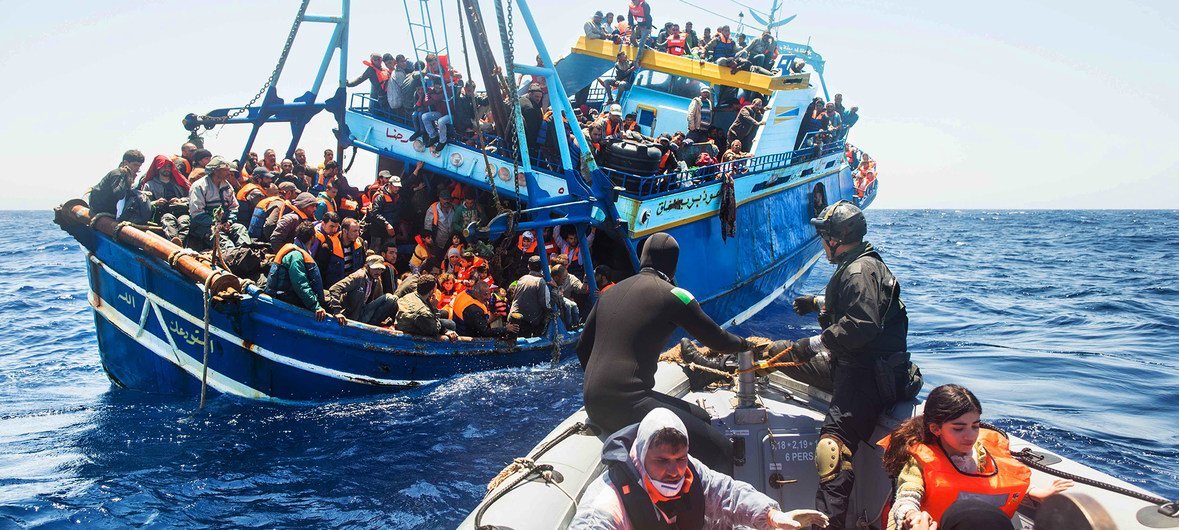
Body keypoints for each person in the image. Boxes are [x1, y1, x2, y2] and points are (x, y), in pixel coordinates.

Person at [784, 200, 913, 529]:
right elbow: (869, 304)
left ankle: (828, 524)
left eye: (824, 235)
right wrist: (817, 303)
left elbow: (863, 323)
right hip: (853, 365)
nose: (822, 243)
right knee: (781, 355)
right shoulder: (862, 264)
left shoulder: (857, 271)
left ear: (835, 238)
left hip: (866, 376)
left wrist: (814, 343)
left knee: (832, 449)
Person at [577, 233, 749, 474]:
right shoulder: (675, 295)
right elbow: (717, 341)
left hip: (593, 401)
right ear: (673, 264)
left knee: (701, 417)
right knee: (721, 450)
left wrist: (600, 386)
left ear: (643, 258)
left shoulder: (610, 293)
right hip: (628, 403)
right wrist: (745, 344)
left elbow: (582, 346)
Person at [569, 408, 829, 530]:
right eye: (662, 461)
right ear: (640, 456)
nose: (674, 471)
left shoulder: (693, 472)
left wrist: (772, 516)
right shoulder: (607, 501)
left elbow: (729, 494)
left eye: (680, 458)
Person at [880, 384, 1072, 530]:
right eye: (958, 428)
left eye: (975, 425)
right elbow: (906, 497)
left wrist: (1032, 493)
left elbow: (998, 482)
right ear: (936, 429)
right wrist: (911, 515)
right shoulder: (919, 461)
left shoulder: (982, 452)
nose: (970, 435)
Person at [264, 221, 345, 324]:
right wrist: (316, 306)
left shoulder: (297, 252)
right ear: (312, 238)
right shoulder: (296, 256)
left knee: (332, 296)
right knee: (336, 304)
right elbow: (300, 283)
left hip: (290, 296)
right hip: (287, 299)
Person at [187, 156, 250, 251]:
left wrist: (229, 222)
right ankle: (231, 256)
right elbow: (197, 213)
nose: (229, 173)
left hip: (224, 224)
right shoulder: (199, 186)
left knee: (240, 229)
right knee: (224, 241)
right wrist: (217, 225)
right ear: (215, 171)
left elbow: (234, 207)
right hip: (204, 226)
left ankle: (246, 252)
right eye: (226, 170)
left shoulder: (227, 186)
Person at [326, 254, 399, 326]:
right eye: (376, 268)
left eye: (380, 269)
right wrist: (337, 312)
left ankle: (372, 326)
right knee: (390, 297)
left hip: (362, 313)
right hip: (350, 315)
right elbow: (334, 288)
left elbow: (377, 301)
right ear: (367, 267)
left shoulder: (376, 280)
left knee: (392, 299)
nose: (378, 272)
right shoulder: (359, 276)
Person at [395, 274, 460, 340]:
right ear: (431, 291)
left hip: (405, 320)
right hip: (413, 327)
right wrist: (433, 308)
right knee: (451, 324)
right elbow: (434, 329)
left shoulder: (409, 296)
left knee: (446, 318)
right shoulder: (424, 312)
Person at [88, 150, 145, 216]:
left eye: (139, 166)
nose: (137, 169)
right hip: (100, 208)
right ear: (125, 163)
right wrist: (130, 180)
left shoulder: (124, 175)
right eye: (135, 165)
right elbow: (119, 194)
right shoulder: (118, 174)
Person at [450, 279, 515, 338]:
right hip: (466, 338)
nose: (488, 297)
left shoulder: (464, 293)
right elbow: (484, 332)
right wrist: (505, 329)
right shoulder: (473, 309)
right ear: (476, 292)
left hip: (461, 327)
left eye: (489, 294)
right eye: (485, 294)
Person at [508, 255, 551, 337]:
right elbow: (545, 304)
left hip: (514, 315)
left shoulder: (522, 278)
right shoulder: (541, 282)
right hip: (527, 321)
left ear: (528, 267)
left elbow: (514, 295)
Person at [316, 216, 365, 288]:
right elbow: (320, 272)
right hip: (334, 288)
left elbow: (362, 264)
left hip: (353, 285)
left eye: (358, 231)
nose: (357, 234)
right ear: (345, 231)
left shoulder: (360, 243)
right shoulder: (328, 247)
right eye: (354, 231)